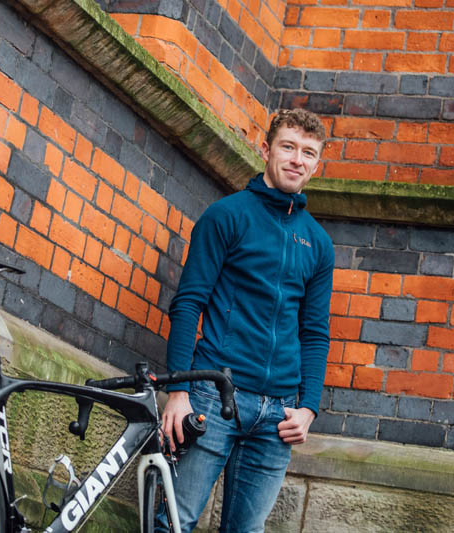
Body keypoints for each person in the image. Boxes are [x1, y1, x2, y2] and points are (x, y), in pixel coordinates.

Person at [156, 108, 334, 533]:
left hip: (278, 415)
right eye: (288, 147)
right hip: (213, 395)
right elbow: (188, 303)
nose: (297, 159)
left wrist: (308, 406)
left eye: (308, 153)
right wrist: (179, 390)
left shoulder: (319, 244)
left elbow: (314, 333)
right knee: (175, 524)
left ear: (316, 164)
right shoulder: (228, 216)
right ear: (266, 149)